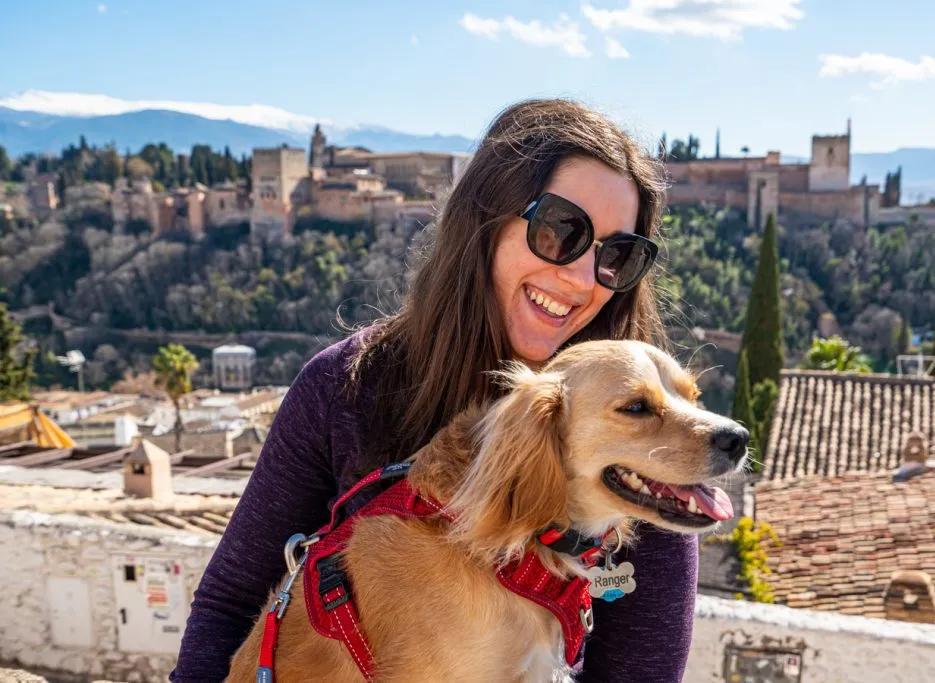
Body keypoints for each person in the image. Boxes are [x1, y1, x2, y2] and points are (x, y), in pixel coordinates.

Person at [171, 98, 699, 682]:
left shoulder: (643, 448)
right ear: (488, 218)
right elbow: (229, 603)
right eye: (559, 230)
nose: (579, 278)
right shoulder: (345, 386)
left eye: (618, 255)